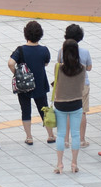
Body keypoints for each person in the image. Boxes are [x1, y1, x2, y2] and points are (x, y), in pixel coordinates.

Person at [9, 21, 55, 145]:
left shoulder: (20, 50)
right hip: (40, 83)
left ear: (26, 34)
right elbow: (45, 63)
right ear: (40, 34)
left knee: (25, 110)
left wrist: (17, 73)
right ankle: (50, 135)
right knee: (44, 109)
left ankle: (29, 137)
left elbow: (10, 63)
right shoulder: (44, 50)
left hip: (24, 85)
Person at [52, 39, 86, 174]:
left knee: (60, 134)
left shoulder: (58, 67)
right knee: (76, 134)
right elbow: (82, 86)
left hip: (60, 103)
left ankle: (59, 164)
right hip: (76, 102)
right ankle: (74, 163)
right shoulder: (82, 68)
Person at [59, 24, 94, 148]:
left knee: (67, 112)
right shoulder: (85, 52)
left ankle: (66, 140)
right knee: (82, 112)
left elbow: (59, 64)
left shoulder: (61, 51)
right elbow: (89, 67)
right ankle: (82, 140)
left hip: (67, 85)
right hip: (82, 84)